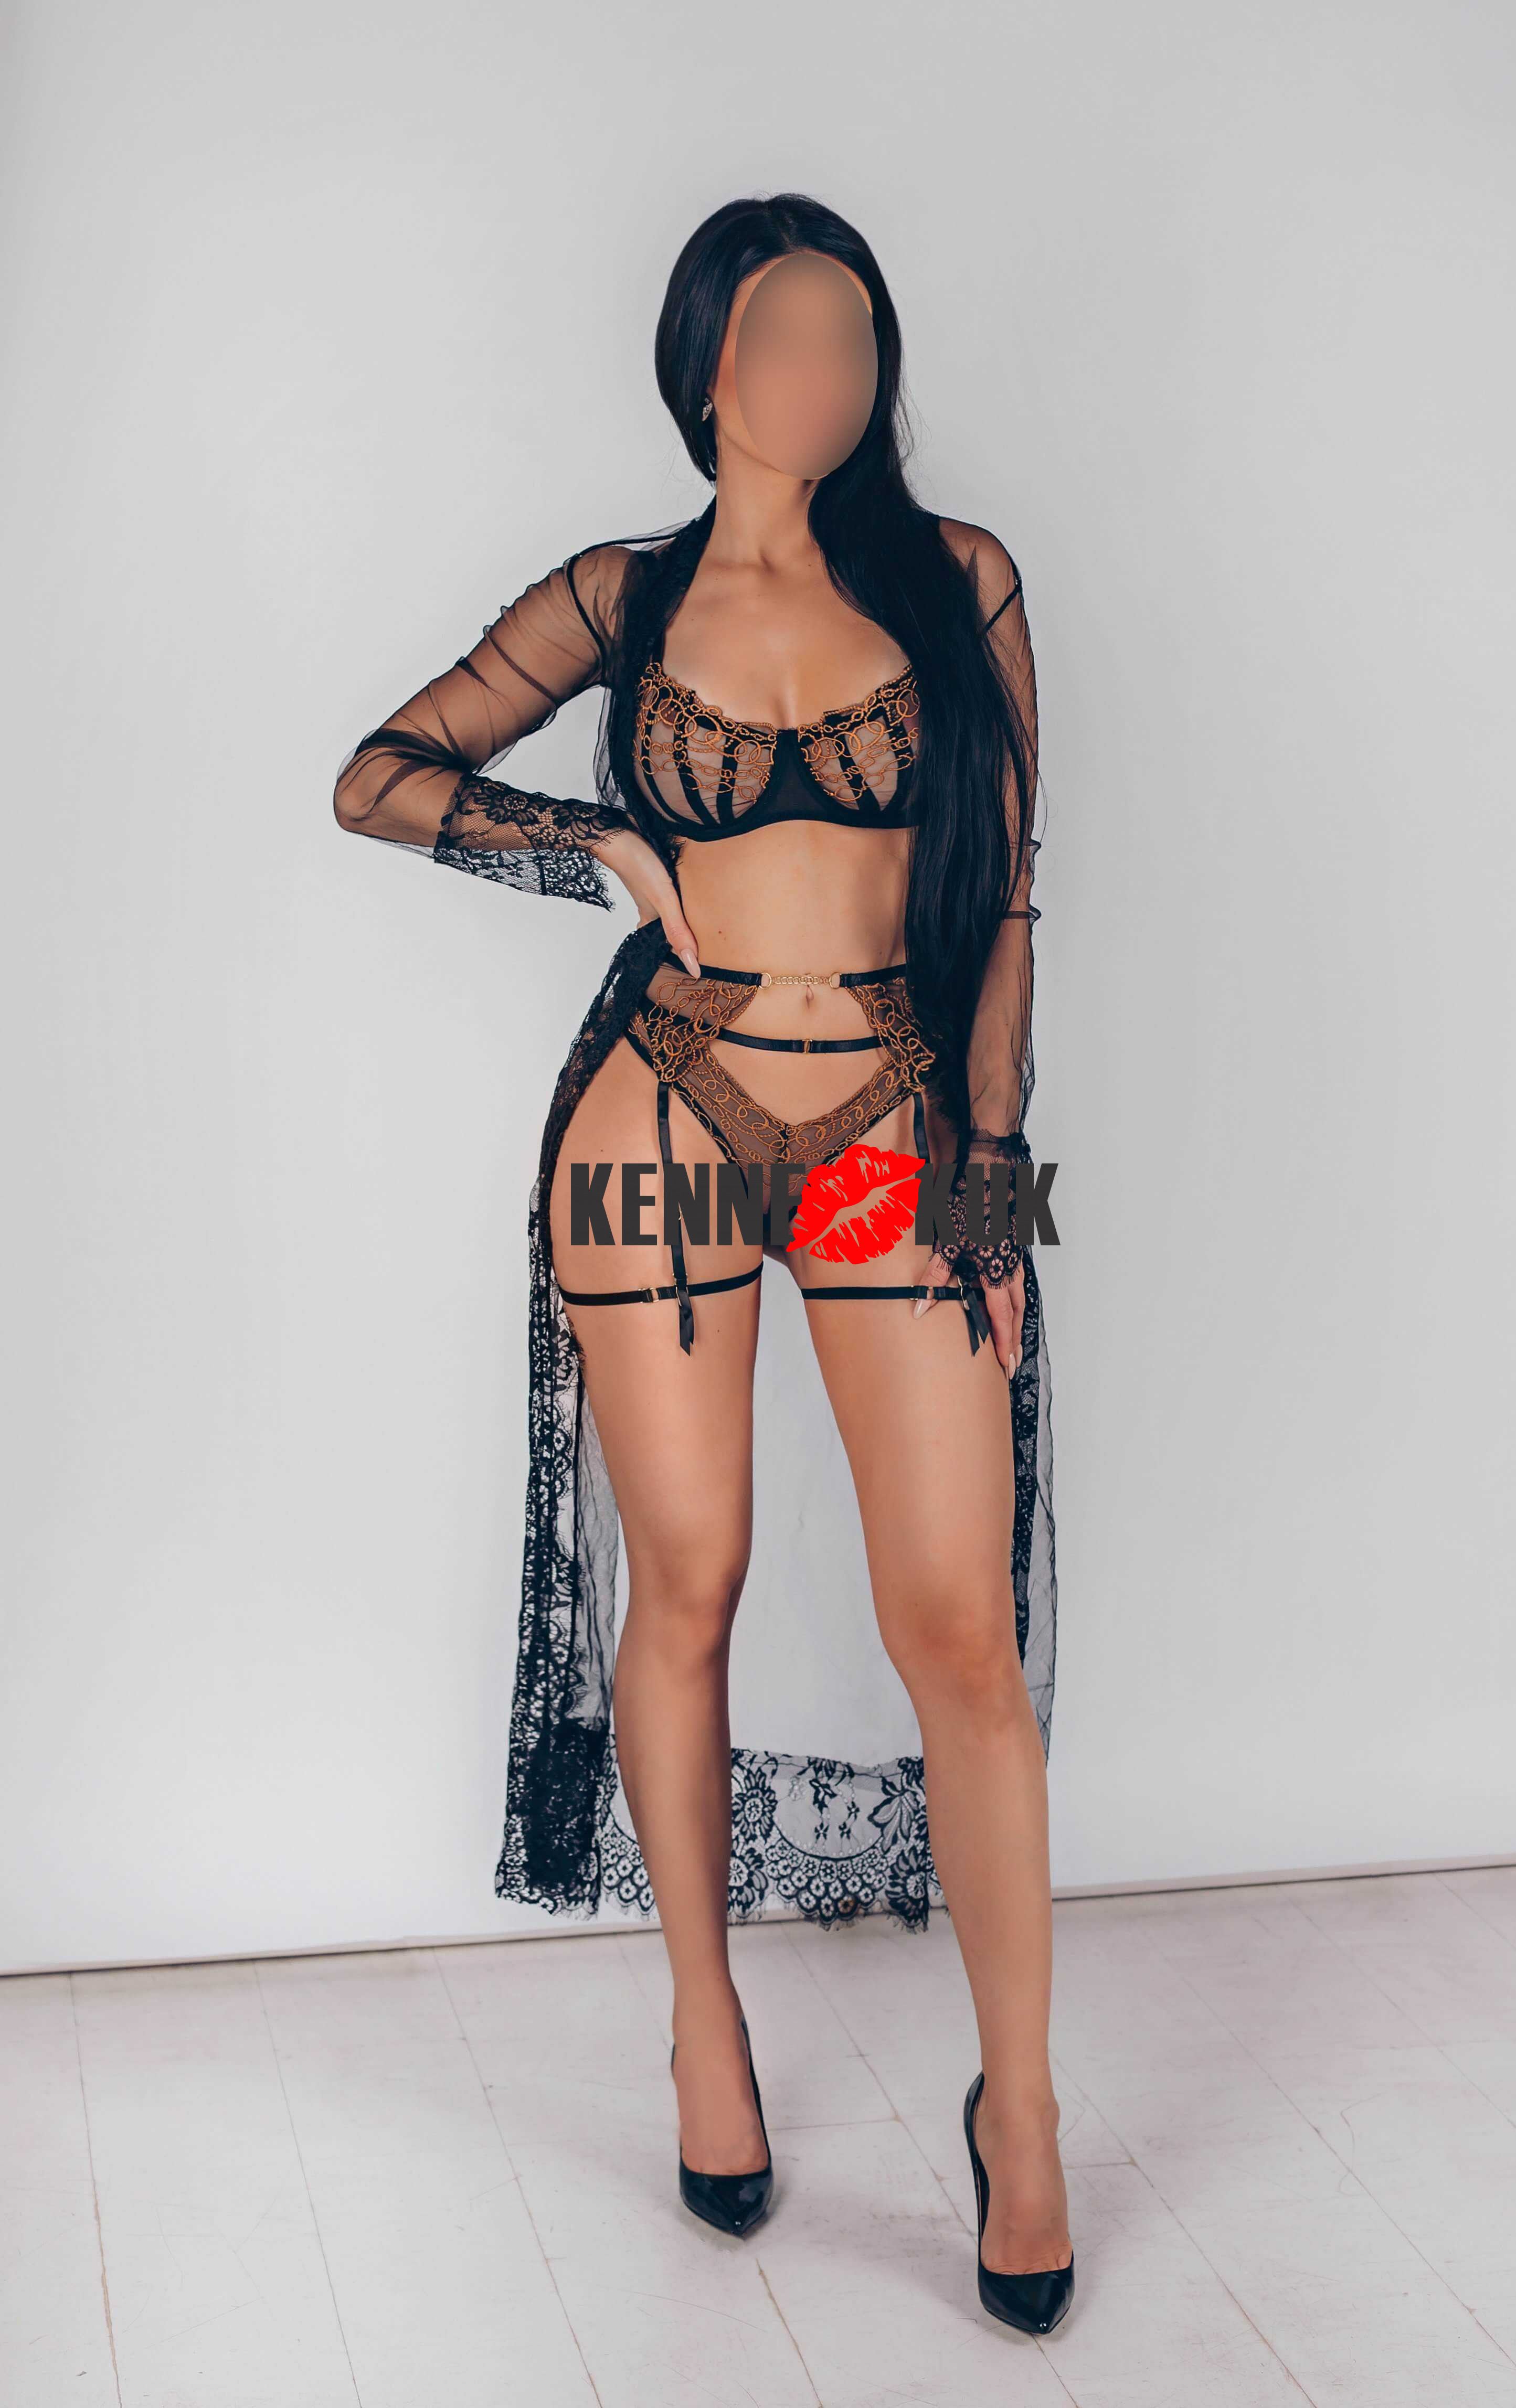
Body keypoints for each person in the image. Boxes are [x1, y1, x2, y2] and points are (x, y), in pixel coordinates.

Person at [332, 191, 1071, 2333]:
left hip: (891, 1128)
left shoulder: (960, 581)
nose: (829, 371)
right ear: (707, 366)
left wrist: (994, 1195)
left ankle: (1022, 2111)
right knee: (693, 1579)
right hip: (658, 1107)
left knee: (959, 1625)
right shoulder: (623, 595)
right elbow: (377, 778)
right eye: (785, 334)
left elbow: (1016, 905)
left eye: (856, 333)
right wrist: (591, 842)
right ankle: (701, 2019)